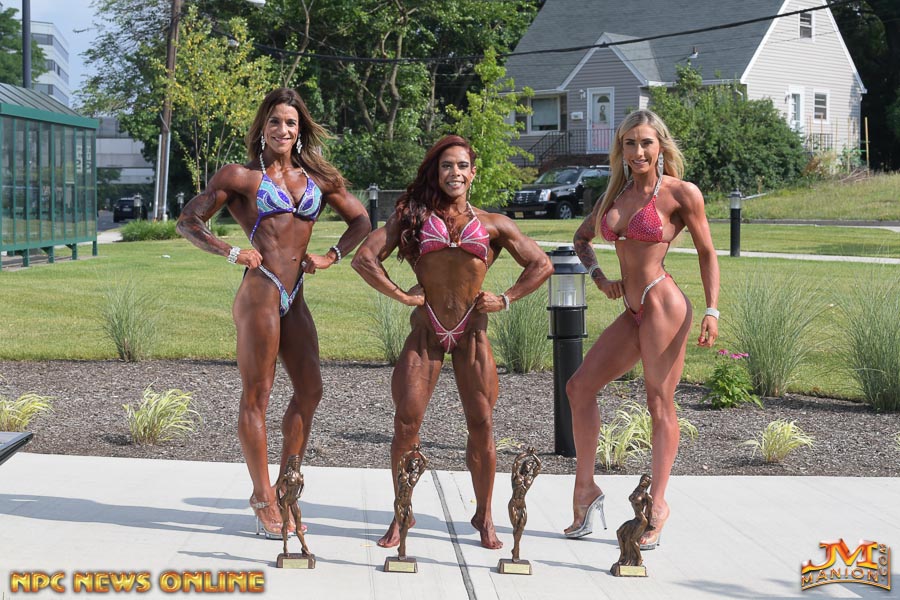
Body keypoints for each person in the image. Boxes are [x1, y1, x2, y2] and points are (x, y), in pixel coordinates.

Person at [177, 88, 370, 539]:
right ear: (262, 126)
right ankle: (262, 497)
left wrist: (331, 256)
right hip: (260, 291)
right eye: (275, 121)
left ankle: (286, 485)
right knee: (257, 395)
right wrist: (231, 252)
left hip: (295, 294)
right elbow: (188, 221)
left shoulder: (318, 178)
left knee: (311, 389)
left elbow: (362, 221)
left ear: (300, 130)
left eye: (291, 123)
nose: (283, 130)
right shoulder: (240, 176)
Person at [352, 135, 553, 549]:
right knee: (406, 422)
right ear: (437, 172)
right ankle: (402, 512)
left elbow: (541, 264)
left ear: (473, 173)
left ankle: (485, 515)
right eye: (446, 166)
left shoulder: (494, 224)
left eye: (462, 166)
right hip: (426, 332)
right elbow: (364, 258)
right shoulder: (413, 218)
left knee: (482, 423)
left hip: (471, 333)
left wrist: (506, 299)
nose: (454, 173)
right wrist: (401, 295)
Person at [565, 109, 719, 550]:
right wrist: (599, 277)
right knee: (579, 388)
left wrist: (712, 309)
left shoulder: (680, 193)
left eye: (646, 142)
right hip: (632, 309)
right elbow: (581, 239)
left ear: (660, 146)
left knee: (658, 402)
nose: (638, 151)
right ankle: (585, 489)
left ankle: (659, 503)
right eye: (629, 143)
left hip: (663, 304)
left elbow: (707, 252)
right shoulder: (613, 195)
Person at [614, 474, 652, 569]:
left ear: (648, 484)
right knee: (619, 533)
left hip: (642, 521)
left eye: (646, 481)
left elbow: (649, 511)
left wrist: (649, 524)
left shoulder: (647, 496)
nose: (644, 481)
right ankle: (623, 555)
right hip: (636, 519)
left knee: (633, 540)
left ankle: (639, 558)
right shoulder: (636, 491)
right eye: (643, 479)